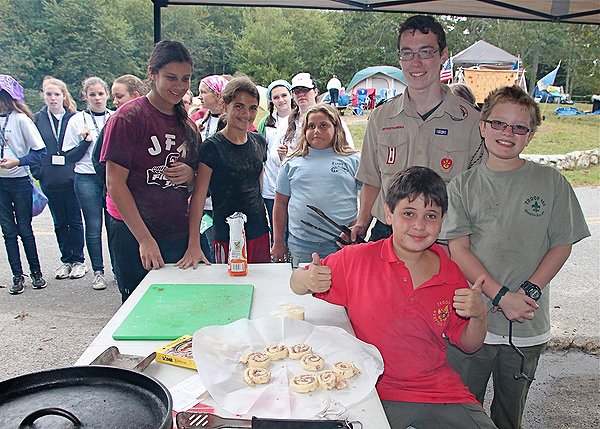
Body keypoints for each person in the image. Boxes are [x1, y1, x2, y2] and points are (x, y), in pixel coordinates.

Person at [290, 166, 496, 429]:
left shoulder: (451, 274)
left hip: (437, 390)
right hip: (370, 387)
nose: (419, 226)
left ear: (443, 219)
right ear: (388, 213)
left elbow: (469, 345)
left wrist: (479, 316)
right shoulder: (357, 260)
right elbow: (296, 282)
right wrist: (307, 279)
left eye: (430, 215)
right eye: (408, 214)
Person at [441, 86, 590, 429]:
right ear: (482, 126)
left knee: (510, 413)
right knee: (463, 410)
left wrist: (527, 293)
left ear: (531, 136)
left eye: (519, 128)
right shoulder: (462, 186)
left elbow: (561, 244)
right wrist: (500, 296)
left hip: (526, 322)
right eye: (499, 124)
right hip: (472, 322)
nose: (507, 133)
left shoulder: (551, 181)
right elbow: (459, 249)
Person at [351, 15, 485, 243]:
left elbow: (481, 192)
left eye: (425, 52)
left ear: (443, 55)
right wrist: (362, 223)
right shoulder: (381, 118)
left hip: (445, 238)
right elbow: (371, 179)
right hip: (387, 234)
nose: (415, 63)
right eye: (407, 54)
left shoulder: (472, 122)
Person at [102, 40, 199, 302]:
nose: (179, 86)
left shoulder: (188, 125)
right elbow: (114, 184)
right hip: (133, 231)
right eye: (171, 77)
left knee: (178, 304)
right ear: (152, 74)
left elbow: (196, 183)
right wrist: (144, 239)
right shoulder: (127, 118)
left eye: (186, 78)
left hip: (175, 230)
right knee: (138, 306)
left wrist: (190, 175)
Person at [177, 76, 270, 268]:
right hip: (226, 235)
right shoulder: (212, 147)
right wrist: (193, 243)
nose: (246, 113)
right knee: (231, 289)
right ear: (224, 105)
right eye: (239, 106)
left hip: (259, 230)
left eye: (253, 108)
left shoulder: (258, 141)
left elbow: (257, 185)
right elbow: (199, 196)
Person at [271, 103, 360, 268]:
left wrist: (358, 227)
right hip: (301, 243)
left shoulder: (353, 160)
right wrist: (278, 242)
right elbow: (280, 204)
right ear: (304, 131)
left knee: (341, 289)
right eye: (311, 126)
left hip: (342, 243)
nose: (316, 131)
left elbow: (371, 195)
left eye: (323, 125)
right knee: (304, 288)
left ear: (337, 128)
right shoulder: (291, 162)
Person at [63, 76, 113, 290]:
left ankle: (118, 269)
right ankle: (98, 271)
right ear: (85, 97)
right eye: (92, 94)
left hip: (110, 177)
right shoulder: (77, 120)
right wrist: (85, 142)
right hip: (86, 177)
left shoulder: (114, 116)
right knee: (93, 226)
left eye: (101, 93)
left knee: (115, 226)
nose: (97, 98)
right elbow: (69, 156)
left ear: (107, 94)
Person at [33, 76, 85, 280]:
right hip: (49, 177)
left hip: (71, 176)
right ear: (44, 96)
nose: (53, 98)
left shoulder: (74, 117)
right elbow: (33, 146)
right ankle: (66, 259)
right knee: (59, 221)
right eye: (49, 94)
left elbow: (83, 144)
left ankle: (79, 260)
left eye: (57, 94)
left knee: (74, 219)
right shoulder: (38, 119)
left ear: (64, 96)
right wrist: (39, 171)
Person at [0, 75, 47, 294]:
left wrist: (17, 161)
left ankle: (36, 272)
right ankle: (17, 275)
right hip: (1, 183)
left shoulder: (20, 119)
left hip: (19, 181)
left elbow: (40, 151)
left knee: (25, 229)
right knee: (8, 231)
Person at [281, 72, 354, 157]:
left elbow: (348, 149)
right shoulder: (286, 123)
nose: (301, 94)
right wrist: (281, 154)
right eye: (296, 91)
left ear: (315, 91)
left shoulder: (332, 118)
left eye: (305, 89)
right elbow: (273, 157)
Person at [257, 79, 294, 236]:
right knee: (277, 228)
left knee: (293, 228)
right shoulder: (266, 122)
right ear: (271, 100)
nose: (281, 100)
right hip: (271, 186)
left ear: (291, 95)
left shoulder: (300, 119)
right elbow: (259, 153)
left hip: (294, 186)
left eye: (284, 95)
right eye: (276, 97)